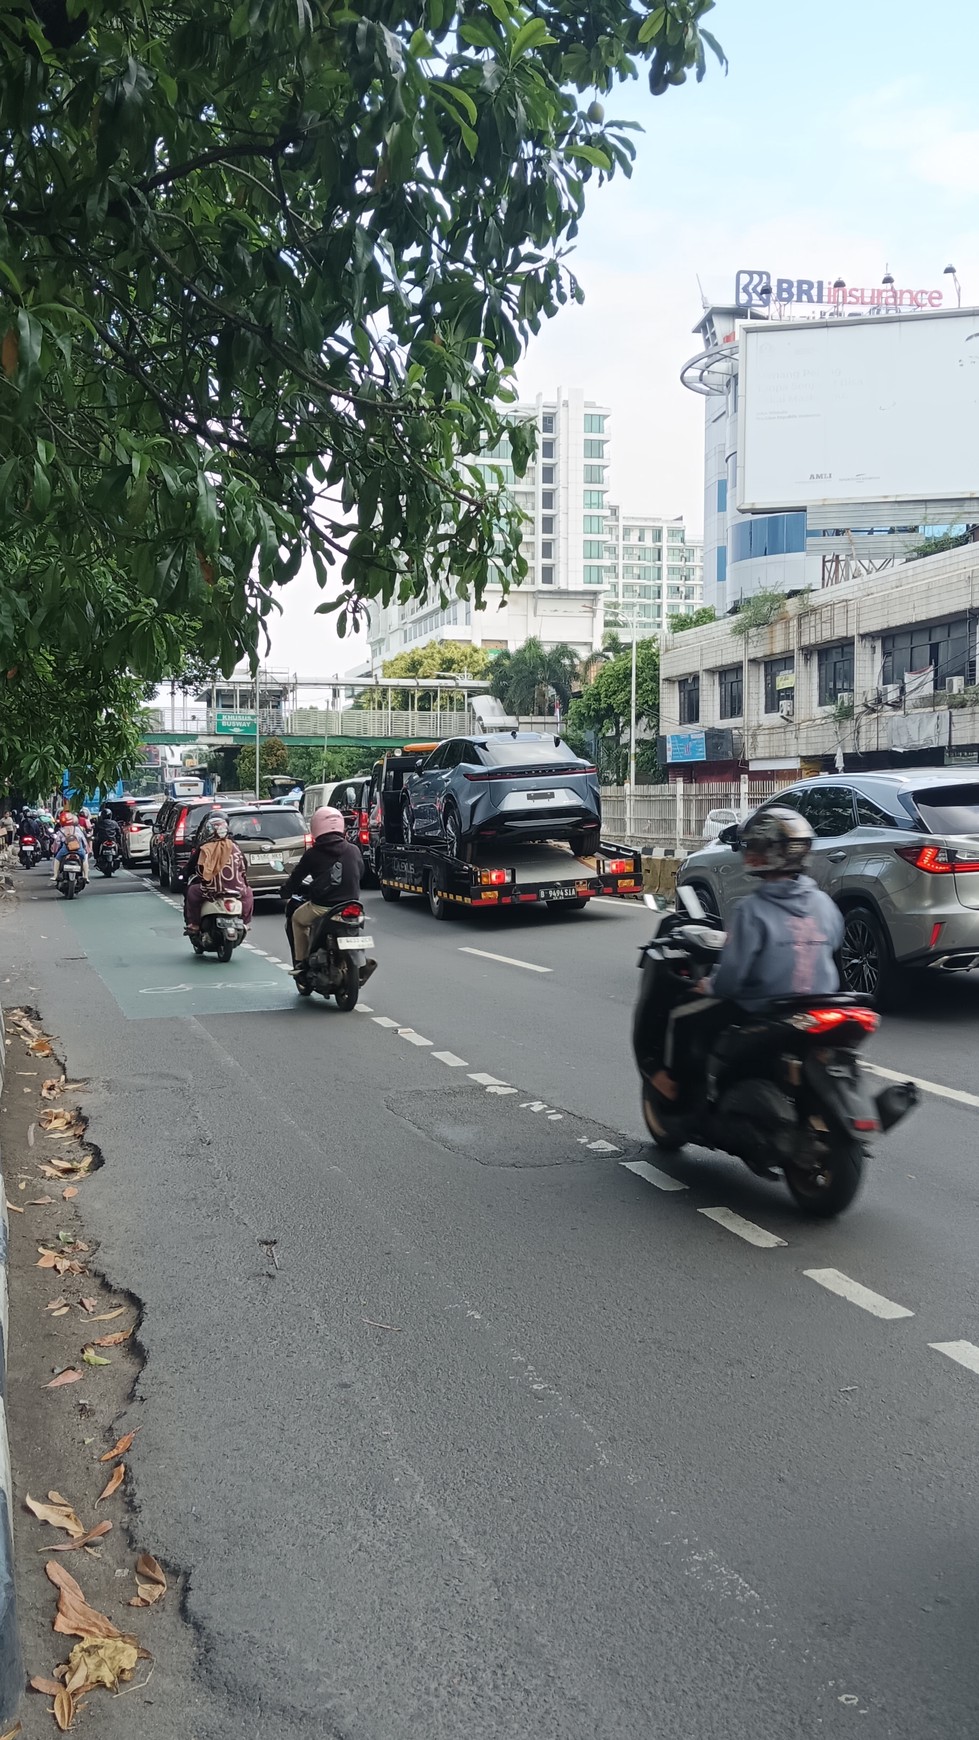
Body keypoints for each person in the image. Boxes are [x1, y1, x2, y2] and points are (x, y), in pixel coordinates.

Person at [654, 807, 845, 1105]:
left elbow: (732, 976)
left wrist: (709, 985)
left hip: (766, 1006)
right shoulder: (823, 903)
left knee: (683, 1016)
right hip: (820, 1001)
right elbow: (833, 944)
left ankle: (681, 1093)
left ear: (761, 851)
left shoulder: (752, 910)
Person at [281, 806, 363, 974]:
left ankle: (301, 962)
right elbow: (360, 872)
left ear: (316, 827)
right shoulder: (353, 850)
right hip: (351, 905)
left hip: (322, 907)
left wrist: (285, 891)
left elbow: (296, 878)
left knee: (297, 919)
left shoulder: (313, 854)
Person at [180, 812, 253, 934]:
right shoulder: (235, 847)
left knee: (192, 892)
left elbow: (193, 867)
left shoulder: (205, 848)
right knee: (249, 893)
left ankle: (195, 925)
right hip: (237, 889)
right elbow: (244, 866)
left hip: (211, 889)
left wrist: (185, 875)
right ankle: (245, 923)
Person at [51, 814, 89, 885]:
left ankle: (55, 875)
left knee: (57, 859)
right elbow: (84, 840)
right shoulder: (78, 829)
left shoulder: (61, 830)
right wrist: (86, 849)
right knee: (84, 859)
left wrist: (54, 850)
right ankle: (86, 876)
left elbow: (57, 842)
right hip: (78, 849)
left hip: (66, 849)